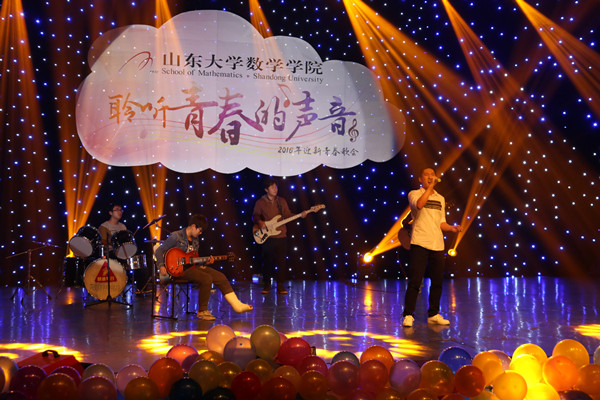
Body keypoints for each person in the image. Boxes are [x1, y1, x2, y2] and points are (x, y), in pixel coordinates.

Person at [154, 214, 252, 320]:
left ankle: (237, 305)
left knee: (220, 276)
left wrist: (205, 263)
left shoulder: (196, 240)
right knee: (206, 278)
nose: (200, 233)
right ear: (193, 226)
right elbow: (159, 250)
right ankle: (202, 311)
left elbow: (194, 260)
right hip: (178, 271)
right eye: (200, 230)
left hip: (192, 269)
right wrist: (161, 266)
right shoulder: (176, 236)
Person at [402, 167, 462, 328]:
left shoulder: (440, 198)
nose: (430, 177)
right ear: (420, 179)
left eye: (432, 175)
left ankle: (433, 314)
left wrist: (451, 228)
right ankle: (408, 315)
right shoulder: (414, 194)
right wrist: (429, 188)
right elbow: (419, 205)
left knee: (437, 281)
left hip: (437, 244)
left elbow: (441, 222)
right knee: (415, 281)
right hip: (420, 241)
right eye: (426, 175)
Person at [252, 178, 306, 294]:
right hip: (268, 236)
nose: (275, 189)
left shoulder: (281, 201)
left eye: (276, 187)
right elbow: (255, 215)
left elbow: (287, 215)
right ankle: (267, 285)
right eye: (272, 187)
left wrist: (300, 215)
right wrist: (260, 222)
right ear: (266, 189)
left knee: (281, 262)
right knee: (267, 261)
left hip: (281, 235)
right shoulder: (260, 202)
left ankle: (280, 285)